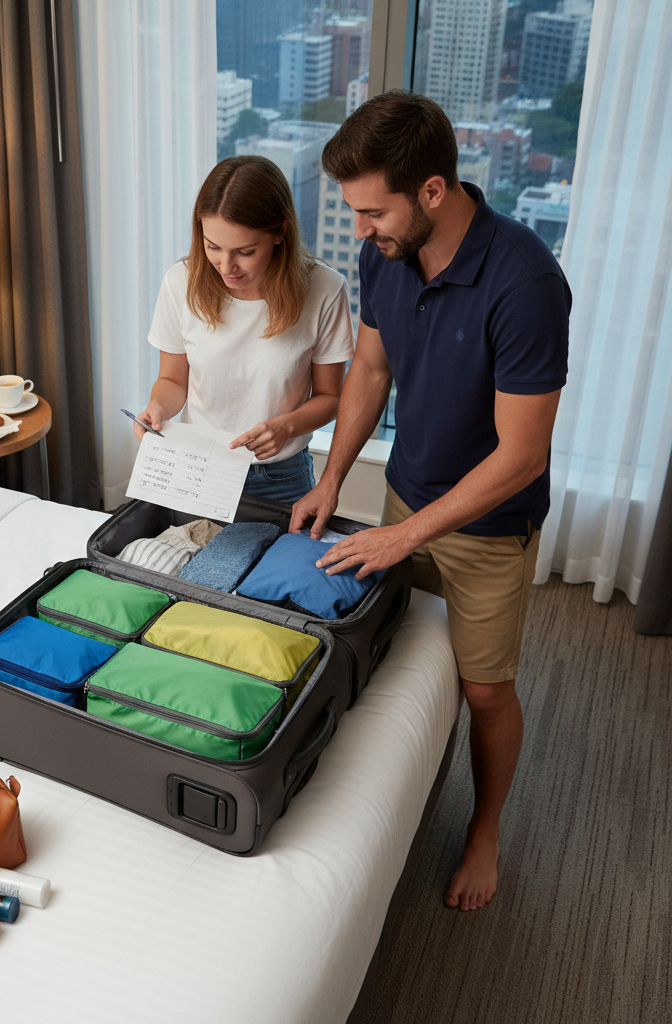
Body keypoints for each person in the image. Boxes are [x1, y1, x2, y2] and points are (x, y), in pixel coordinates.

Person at [290, 91, 571, 911]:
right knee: (399, 660)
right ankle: (408, 793)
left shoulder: (526, 284)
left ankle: (485, 830)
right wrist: (333, 477)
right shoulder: (385, 255)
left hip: (487, 522)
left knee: (484, 689)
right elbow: (371, 373)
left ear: (434, 193)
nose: (362, 228)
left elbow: (522, 457)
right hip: (407, 495)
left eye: (374, 210)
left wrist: (405, 534)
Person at [133, 155, 354, 505]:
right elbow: (174, 381)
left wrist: (286, 427)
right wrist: (157, 408)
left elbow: (330, 398)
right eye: (212, 247)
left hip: (280, 476)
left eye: (245, 251)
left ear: (280, 232)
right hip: (199, 468)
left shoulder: (324, 289)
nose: (226, 266)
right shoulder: (180, 283)